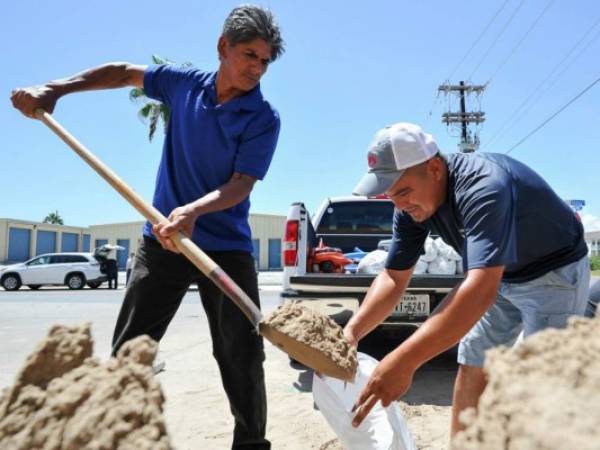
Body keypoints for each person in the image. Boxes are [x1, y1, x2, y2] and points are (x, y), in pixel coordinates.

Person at [11, 5, 284, 448]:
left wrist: (194, 210)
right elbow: (121, 72)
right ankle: (110, 434)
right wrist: (55, 89)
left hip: (225, 249)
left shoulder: (263, 117)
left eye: (264, 60)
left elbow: (240, 185)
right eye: (249, 54)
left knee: (241, 356)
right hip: (163, 239)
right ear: (223, 47)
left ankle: (251, 444)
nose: (256, 67)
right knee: (131, 347)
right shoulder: (183, 84)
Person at [345, 122, 590, 438]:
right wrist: (353, 331)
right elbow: (394, 276)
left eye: (403, 191)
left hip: (553, 275)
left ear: (434, 168)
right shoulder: (411, 206)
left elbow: (480, 289)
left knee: (541, 383)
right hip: (501, 276)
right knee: (474, 358)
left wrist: (403, 362)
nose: (400, 204)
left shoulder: (483, 186)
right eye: (391, 195)